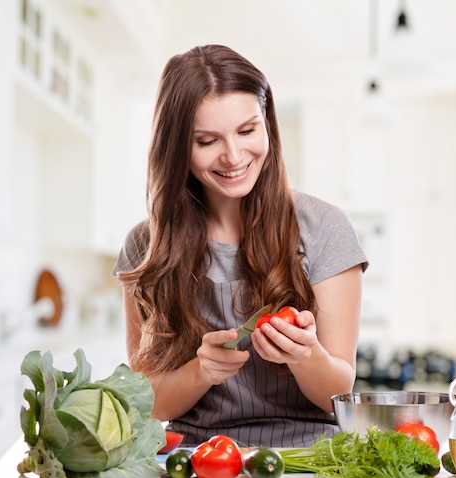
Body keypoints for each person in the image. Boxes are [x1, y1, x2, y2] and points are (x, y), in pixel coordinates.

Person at [112, 44, 368, 448]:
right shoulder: (146, 247)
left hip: (312, 463)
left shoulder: (326, 229)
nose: (233, 156)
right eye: (207, 140)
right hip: (200, 463)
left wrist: (307, 357)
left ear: (267, 123)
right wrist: (201, 370)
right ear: (177, 146)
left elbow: (339, 393)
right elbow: (150, 401)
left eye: (247, 131)